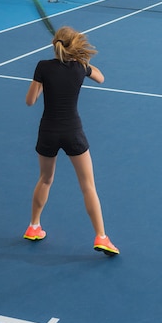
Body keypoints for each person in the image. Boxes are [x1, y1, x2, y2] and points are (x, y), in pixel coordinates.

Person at [23, 26, 119, 256]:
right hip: (73, 133)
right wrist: (82, 62)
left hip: (47, 132)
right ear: (74, 45)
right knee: (88, 186)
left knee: (45, 179)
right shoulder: (81, 68)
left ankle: (33, 226)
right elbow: (101, 78)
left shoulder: (42, 67)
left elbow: (30, 101)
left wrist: (44, 83)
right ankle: (102, 237)